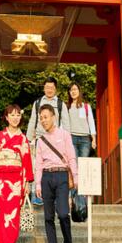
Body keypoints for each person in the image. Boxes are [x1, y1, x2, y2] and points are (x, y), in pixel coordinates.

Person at [0, 104, 33, 243]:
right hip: (0, 177)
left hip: (16, 179)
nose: (15, 118)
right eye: (12, 115)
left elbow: (26, 161)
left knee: (13, 212)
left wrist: (27, 182)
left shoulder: (23, 138)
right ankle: (5, 241)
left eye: (18, 115)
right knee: (1, 212)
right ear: (6, 117)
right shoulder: (0, 136)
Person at [34, 104, 77, 243]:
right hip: (46, 177)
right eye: (41, 118)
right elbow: (38, 164)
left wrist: (75, 177)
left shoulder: (64, 135)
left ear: (54, 117)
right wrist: (38, 184)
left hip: (62, 175)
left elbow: (71, 157)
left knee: (64, 213)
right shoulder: (40, 141)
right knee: (48, 217)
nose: (43, 120)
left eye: (46, 117)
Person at [26, 76, 70, 205]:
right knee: (37, 167)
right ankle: (37, 195)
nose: (49, 90)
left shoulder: (60, 104)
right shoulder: (38, 103)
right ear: (44, 88)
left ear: (55, 89)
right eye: (47, 87)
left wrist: (67, 142)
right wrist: (28, 140)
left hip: (57, 142)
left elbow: (66, 125)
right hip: (40, 139)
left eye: (52, 87)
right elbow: (32, 121)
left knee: (55, 168)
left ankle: (55, 196)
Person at [66, 82, 96, 216]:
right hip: (72, 138)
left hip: (85, 139)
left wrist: (93, 139)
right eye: (71, 90)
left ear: (79, 91)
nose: (73, 92)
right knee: (74, 168)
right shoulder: (66, 108)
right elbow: (63, 125)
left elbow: (91, 123)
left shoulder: (86, 106)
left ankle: (81, 199)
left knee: (82, 168)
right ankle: (74, 198)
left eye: (75, 89)